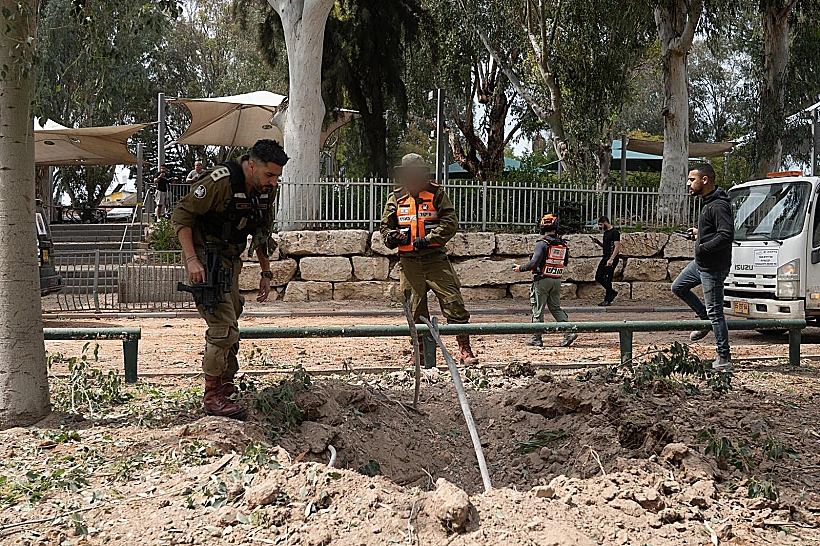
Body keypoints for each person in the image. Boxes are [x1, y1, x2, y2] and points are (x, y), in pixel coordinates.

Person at [172, 139, 288, 418]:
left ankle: (225, 385)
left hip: (230, 260)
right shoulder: (219, 181)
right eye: (268, 174)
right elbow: (181, 216)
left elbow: (261, 232)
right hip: (206, 258)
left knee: (233, 314)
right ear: (251, 165)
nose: (273, 182)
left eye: (276, 176)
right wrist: (192, 260)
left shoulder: (265, 191)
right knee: (222, 326)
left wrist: (266, 272)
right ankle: (212, 395)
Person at [379, 153, 479, 366]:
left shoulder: (436, 194)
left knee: (454, 302)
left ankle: (465, 349)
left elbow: (450, 223)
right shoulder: (396, 198)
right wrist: (392, 237)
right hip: (408, 262)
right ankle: (420, 352)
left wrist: (429, 239)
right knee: (415, 308)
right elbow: (385, 228)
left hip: (435, 259)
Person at [671, 163, 734, 371]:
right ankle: (703, 318)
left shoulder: (718, 205)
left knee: (716, 312)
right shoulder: (708, 202)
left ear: (704, 180)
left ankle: (724, 358)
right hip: (700, 264)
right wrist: (699, 234)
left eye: (692, 180)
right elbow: (715, 230)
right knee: (678, 287)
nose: (688, 183)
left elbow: (726, 235)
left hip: (712, 268)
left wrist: (704, 246)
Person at [514, 214, 577, 348]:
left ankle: (536, 338)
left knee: (538, 309)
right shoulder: (562, 244)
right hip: (556, 280)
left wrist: (521, 268)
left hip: (542, 280)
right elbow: (565, 262)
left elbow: (534, 262)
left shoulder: (542, 243)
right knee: (555, 308)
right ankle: (568, 332)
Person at [593, 216, 621, 306]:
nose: (601, 227)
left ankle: (607, 300)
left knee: (607, 279)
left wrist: (611, 259)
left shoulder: (615, 232)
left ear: (605, 222)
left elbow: (617, 246)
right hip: (605, 257)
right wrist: (598, 242)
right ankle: (612, 292)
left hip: (611, 258)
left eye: (601, 224)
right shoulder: (606, 233)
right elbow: (606, 246)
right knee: (599, 276)